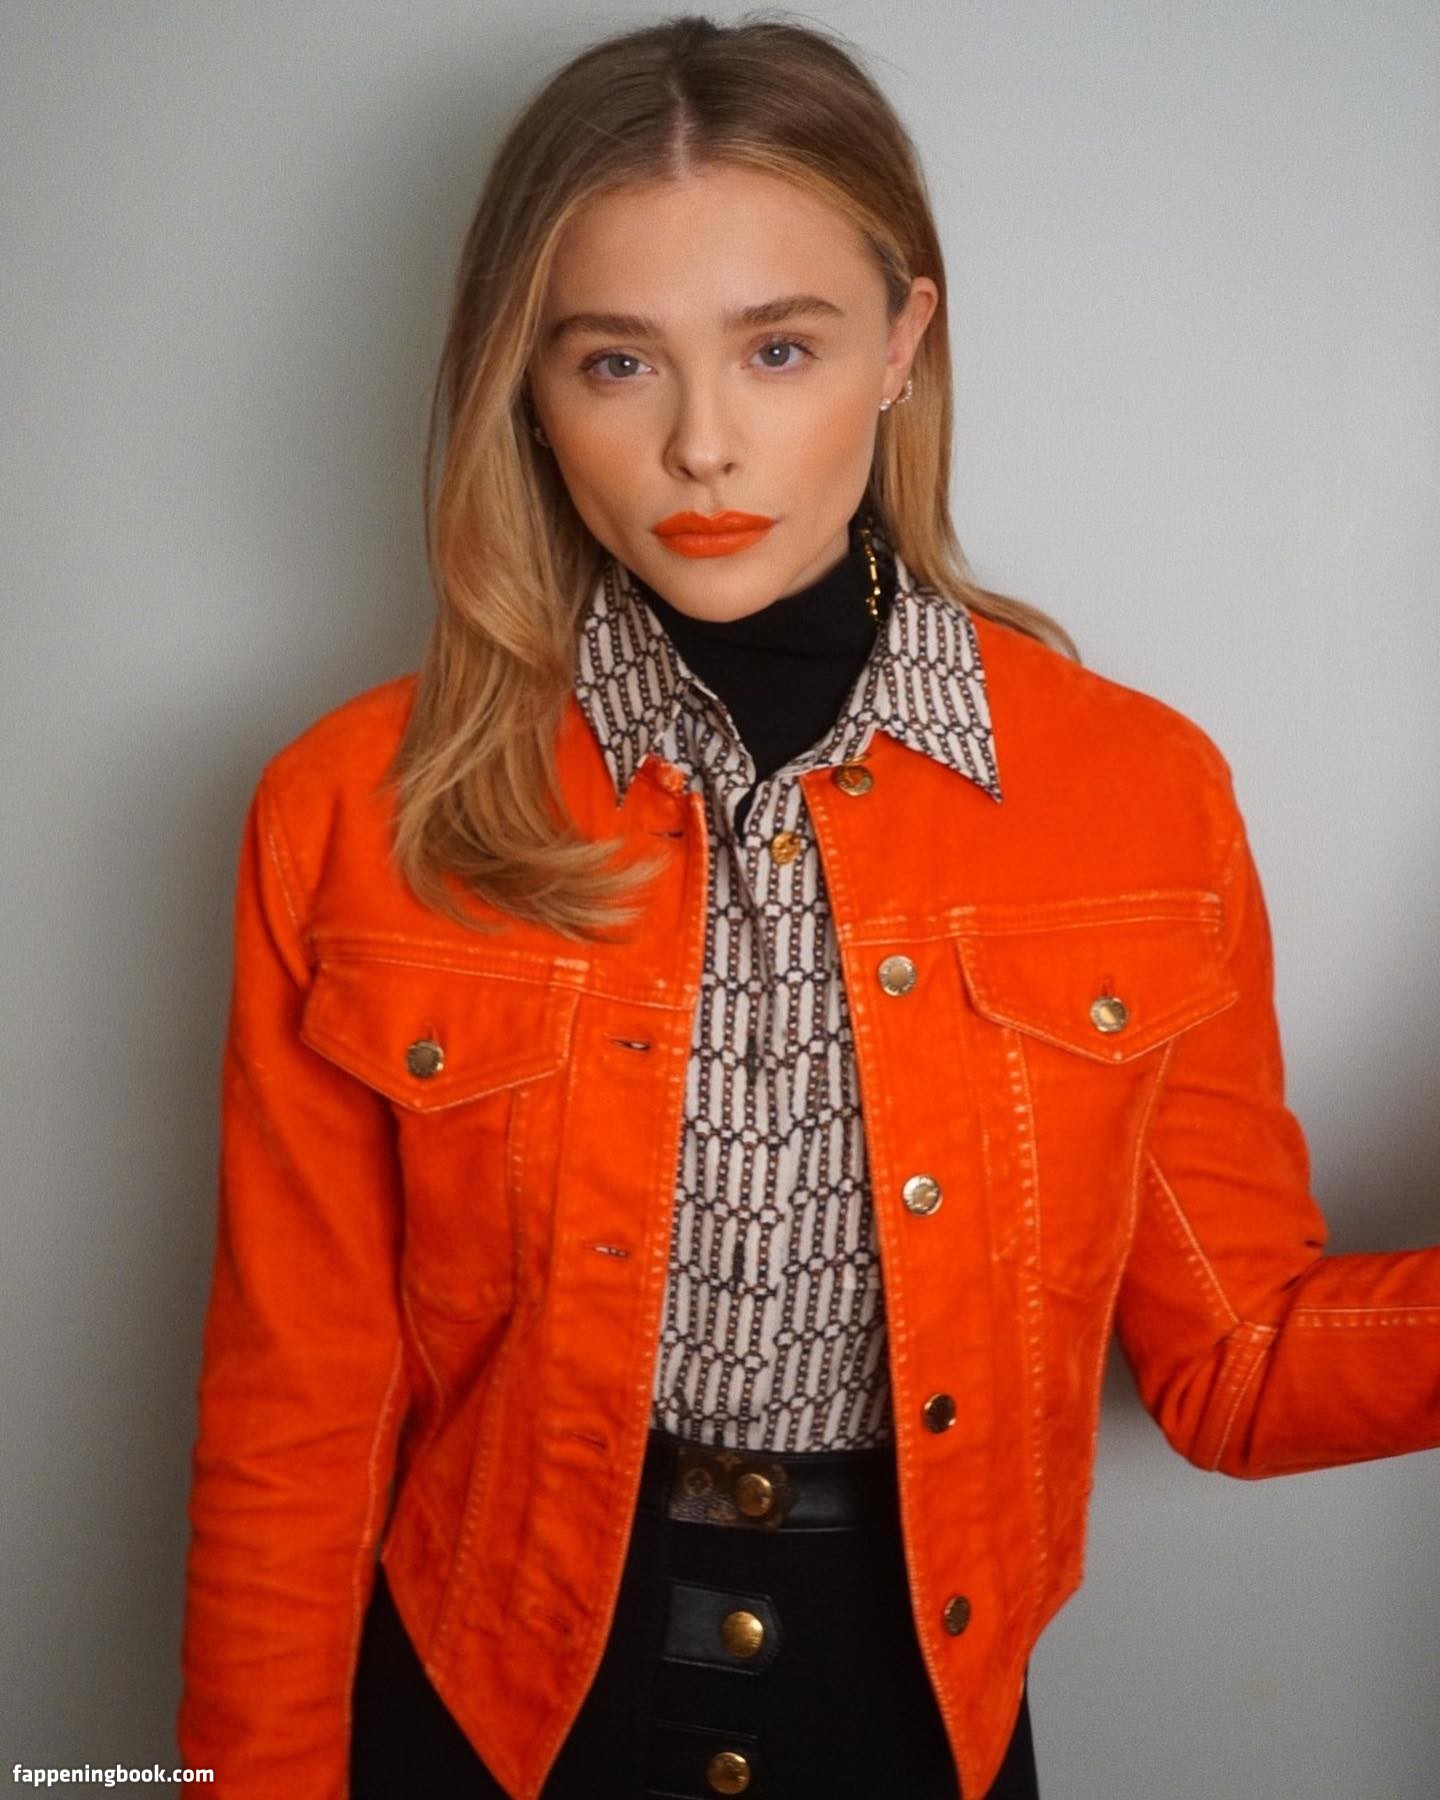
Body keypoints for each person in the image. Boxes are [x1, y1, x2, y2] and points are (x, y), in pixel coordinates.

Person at [175, 13, 1439, 1799]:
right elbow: (294, 1423)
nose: (704, 444)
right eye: (617, 361)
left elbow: (1240, 1367)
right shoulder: (355, 807)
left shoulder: (1135, 795)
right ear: (524, 383)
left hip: (907, 1724)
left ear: (903, 344)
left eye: (780, 348)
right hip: (483, 1717)